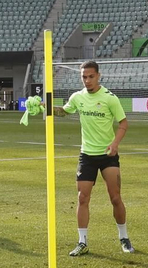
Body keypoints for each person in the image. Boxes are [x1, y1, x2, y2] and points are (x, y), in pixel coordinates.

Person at [53, 60, 132, 256]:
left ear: (98, 76)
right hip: (86, 155)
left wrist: (115, 144)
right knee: (82, 198)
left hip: (107, 156)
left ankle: (124, 237)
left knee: (115, 198)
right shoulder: (77, 97)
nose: (87, 80)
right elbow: (63, 112)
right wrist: (44, 106)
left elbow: (123, 124)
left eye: (90, 76)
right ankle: (82, 242)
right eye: (84, 77)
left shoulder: (109, 98)